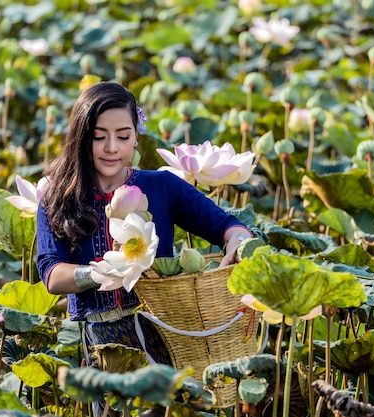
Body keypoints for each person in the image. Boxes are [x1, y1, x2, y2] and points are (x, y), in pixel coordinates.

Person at [36, 82, 253, 373]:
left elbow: (227, 225)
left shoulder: (161, 186)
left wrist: (238, 241)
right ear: (81, 138)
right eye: (99, 137)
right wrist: (100, 272)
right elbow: (51, 273)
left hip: (163, 329)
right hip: (100, 343)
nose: (112, 148)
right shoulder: (56, 198)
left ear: (136, 138)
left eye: (123, 136)